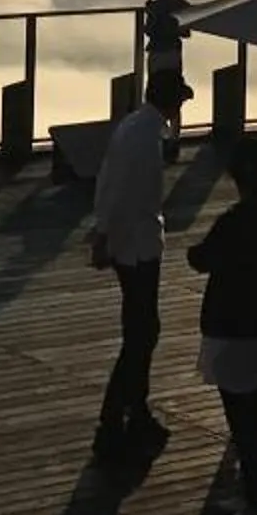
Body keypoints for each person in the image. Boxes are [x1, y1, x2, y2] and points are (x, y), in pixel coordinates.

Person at [188, 132, 257, 515]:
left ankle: (256, 508)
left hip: (233, 330)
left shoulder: (233, 222)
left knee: (244, 421)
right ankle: (252, 492)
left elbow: (201, 258)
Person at [91, 71, 188, 458]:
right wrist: (104, 235)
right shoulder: (146, 138)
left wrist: (103, 231)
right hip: (138, 245)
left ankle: (133, 409)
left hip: (131, 241)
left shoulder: (133, 127)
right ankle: (116, 415)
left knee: (141, 329)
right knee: (141, 332)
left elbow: (108, 182)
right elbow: (123, 192)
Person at [144, 0, 191, 158]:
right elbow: (186, 32)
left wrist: (151, 12)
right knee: (174, 95)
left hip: (157, 54)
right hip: (173, 53)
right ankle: (174, 139)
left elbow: (149, 30)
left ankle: (160, 138)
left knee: (156, 97)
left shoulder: (155, 7)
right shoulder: (182, 5)